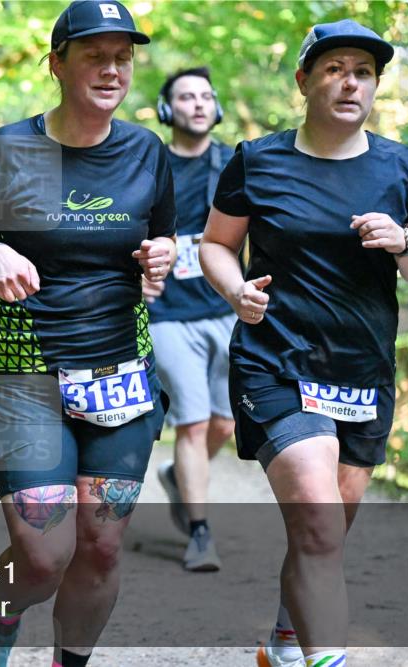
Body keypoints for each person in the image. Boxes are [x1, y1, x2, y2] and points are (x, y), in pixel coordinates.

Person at [200, 19, 408, 667]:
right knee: (317, 516)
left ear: (375, 87)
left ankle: (286, 639)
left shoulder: (401, 166)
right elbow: (216, 245)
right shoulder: (258, 160)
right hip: (275, 361)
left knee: (328, 530)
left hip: (362, 370)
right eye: (335, 68)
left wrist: (406, 242)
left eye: (363, 72)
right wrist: (235, 290)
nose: (350, 83)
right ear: (304, 80)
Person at [0, 2, 175, 665]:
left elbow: (164, 237)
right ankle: (3, 616)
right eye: (94, 56)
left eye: (122, 58)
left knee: (99, 548)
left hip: (120, 375)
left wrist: (163, 255)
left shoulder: (145, 152)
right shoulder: (11, 149)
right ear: (57, 64)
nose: (111, 69)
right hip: (27, 375)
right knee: (45, 554)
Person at [143, 66, 236, 572]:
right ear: (167, 109)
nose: (198, 104)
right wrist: (133, 276)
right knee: (194, 424)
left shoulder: (234, 164)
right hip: (168, 315)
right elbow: (118, 228)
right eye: (186, 97)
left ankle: (178, 477)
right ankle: (200, 533)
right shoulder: (148, 165)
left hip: (227, 308)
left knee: (226, 421)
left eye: (205, 95)